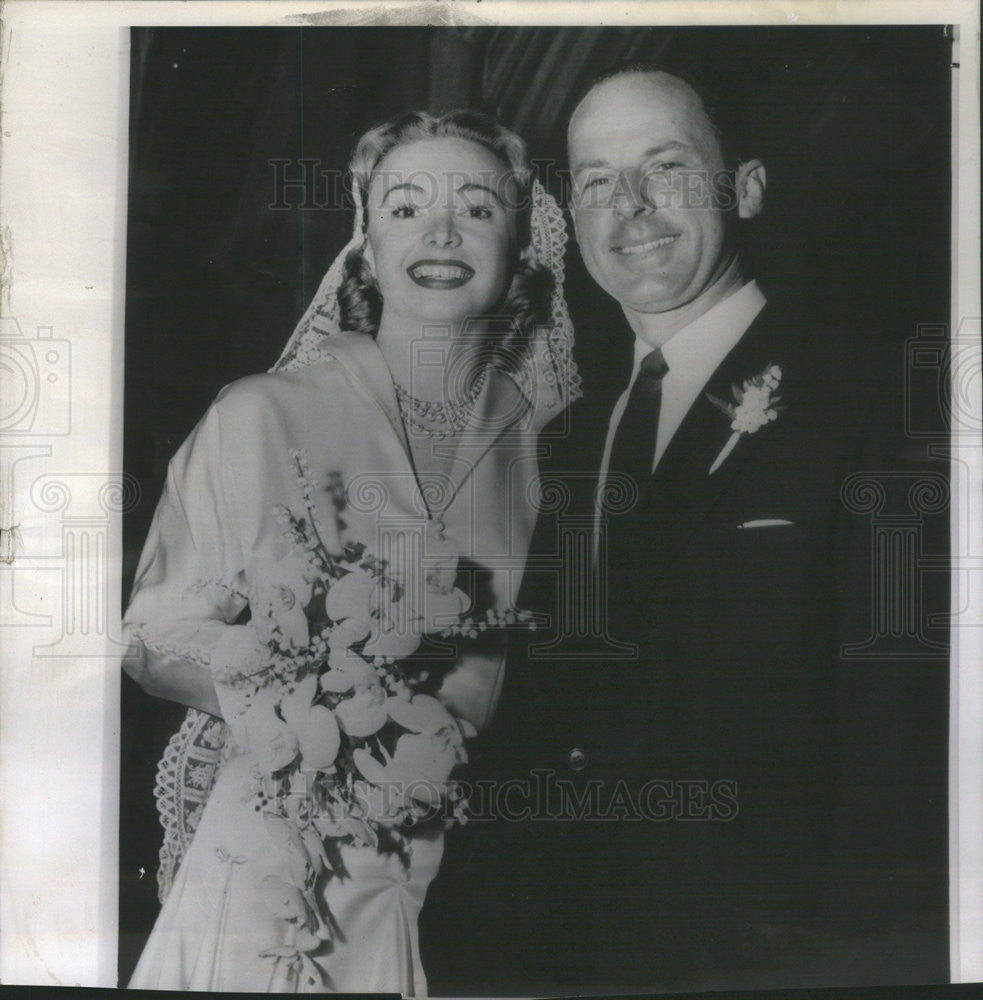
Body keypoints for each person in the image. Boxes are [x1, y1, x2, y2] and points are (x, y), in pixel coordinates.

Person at [421, 66, 946, 994]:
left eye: (664, 167)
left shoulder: (873, 398)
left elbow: (901, 719)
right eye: (593, 181)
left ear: (743, 187)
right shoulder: (566, 441)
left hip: (770, 947)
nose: (627, 206)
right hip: (561, 946)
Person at [122, 108, 579, 993]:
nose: (441, 232)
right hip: (272, 877)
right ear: (365, 246)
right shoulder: (260, 413)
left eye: (478, 207)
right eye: (406, 207)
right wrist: (300, 709)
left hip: (472, 902)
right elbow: (150, 635)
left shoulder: (544, 453)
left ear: (521, 249)